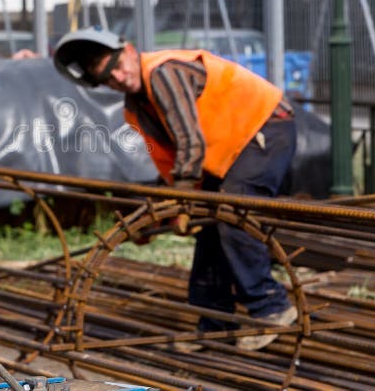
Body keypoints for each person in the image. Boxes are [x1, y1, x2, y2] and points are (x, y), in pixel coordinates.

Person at [52, 26, 298, 351]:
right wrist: (159, 213)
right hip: (231, 148)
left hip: (266, 126)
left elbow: (189, 141)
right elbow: (173, 169)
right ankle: (213, 320)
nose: (119, 79)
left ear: (127, 51)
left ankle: (271, 307)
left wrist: (181, 200)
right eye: (108, 80)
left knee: (232, 215)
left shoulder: (161, 72)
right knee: (208, 224)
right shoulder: (136, 109)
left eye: (117, 68)